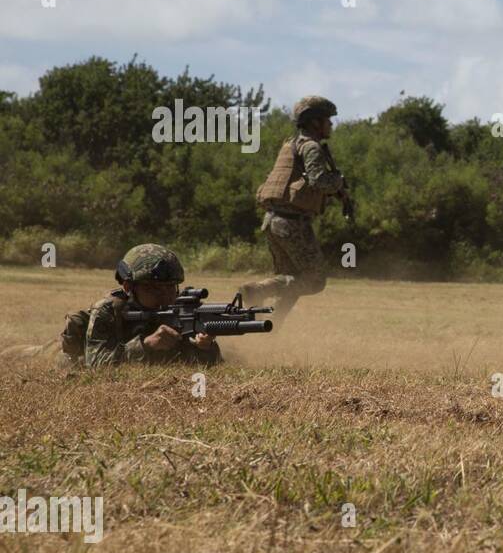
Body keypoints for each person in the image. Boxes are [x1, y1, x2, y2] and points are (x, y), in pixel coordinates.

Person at [239, 95, 347, 318]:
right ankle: (258, 290)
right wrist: (338, 181)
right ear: (315, 122)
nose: (331, 124)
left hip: (273, 220)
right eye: (327, 119)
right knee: (315, 281)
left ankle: (272, 327)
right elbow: (318, 180)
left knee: (290, 280)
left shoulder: (291, 144)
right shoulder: (312, 147)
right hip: (292, 223)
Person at [82, 244, 222, 368]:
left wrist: (206, 348)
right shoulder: (110, 310)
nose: (165, 295)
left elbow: (203, 363)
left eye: (170, 287)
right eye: (153, 288)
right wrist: (145, 345)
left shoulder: (183, 311)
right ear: (128, 287)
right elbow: (95, 363)